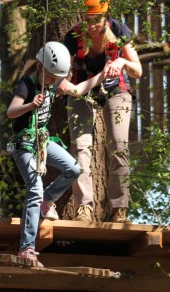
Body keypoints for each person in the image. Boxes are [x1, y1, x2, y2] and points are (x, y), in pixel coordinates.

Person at [6, 41, 106, 268]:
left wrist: (102, 75)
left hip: (41, 141)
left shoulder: (55, 81)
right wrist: (31, 105)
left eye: (55, 78)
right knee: (34, 188)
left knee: (73, 168)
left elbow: (79, 90)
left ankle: (46, 202)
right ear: (40, 67)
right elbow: (11, 112)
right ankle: (26, 249)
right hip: (24, 144)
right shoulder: (26, 84)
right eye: (51, 76)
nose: (53, 82)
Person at [64, 0, 142, 223]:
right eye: (87, 20)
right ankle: (84, 208)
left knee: (119, 145)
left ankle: (119, 210)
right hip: (82, 90)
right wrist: (64, 85)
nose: (91, 25)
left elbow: (138, 70)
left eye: (96, 20)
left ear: (105, 16)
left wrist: (120, 61)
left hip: (116, 89)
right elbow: (64, 74)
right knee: (80, 147)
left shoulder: (118, 30)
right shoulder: (73, 37)